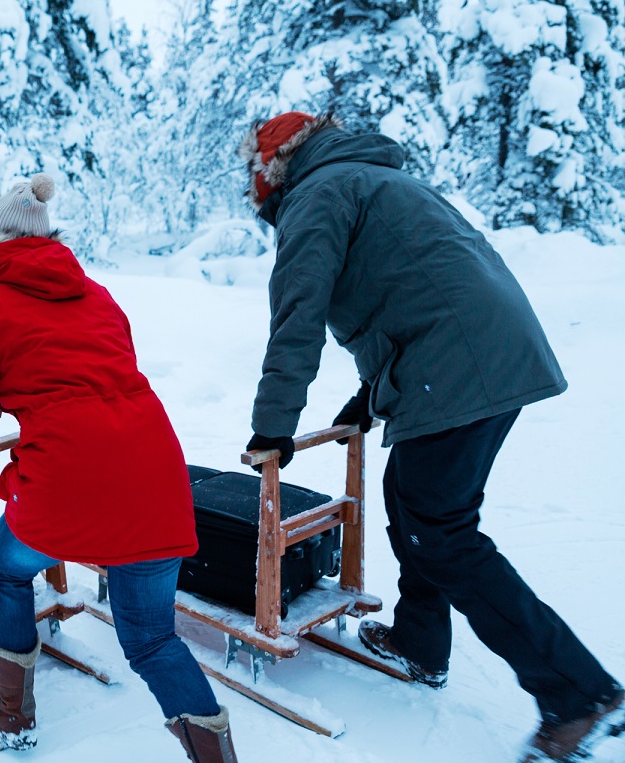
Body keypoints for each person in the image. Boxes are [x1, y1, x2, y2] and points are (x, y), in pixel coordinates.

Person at [237, 111, 623, 763]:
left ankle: (576, 692)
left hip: (461, 365)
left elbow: (298, 314)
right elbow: (408, 288)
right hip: (482, 352)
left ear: (274, 167)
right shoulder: (363, 178)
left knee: (440, 535)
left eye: (256, 175)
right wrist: (369, 396)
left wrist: (273, 425)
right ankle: (420, 640)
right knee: (416, 502)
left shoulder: (318, 194)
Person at [0, 174, 237, 762]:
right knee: (152, 638)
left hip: (67, 484)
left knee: (3, 567)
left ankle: (10, 709)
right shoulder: (98, 296)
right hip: (155, 472)